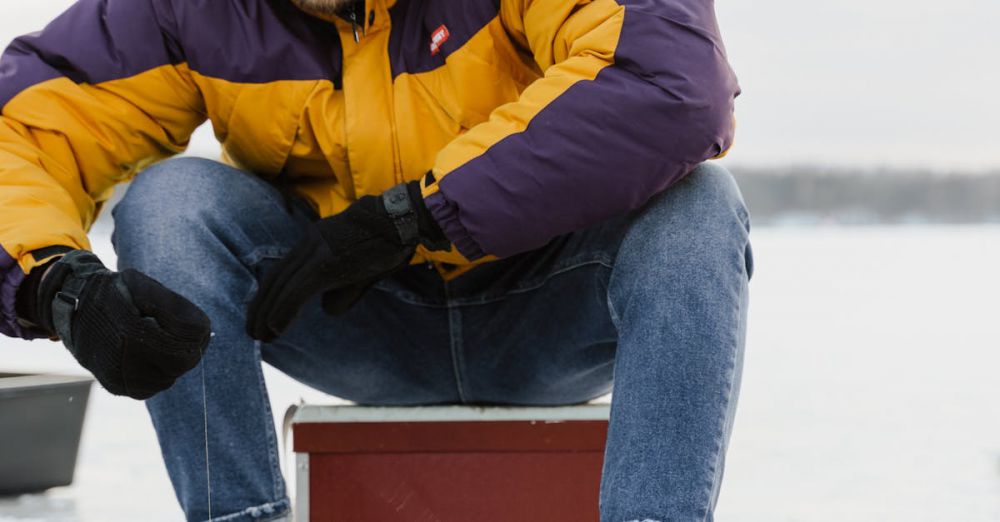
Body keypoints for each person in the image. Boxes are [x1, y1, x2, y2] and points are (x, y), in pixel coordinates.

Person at [0, 0, 751, 520]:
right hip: (349, 322)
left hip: (547, 310)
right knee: (168, 202)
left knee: (700, 207)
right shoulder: (191, 10)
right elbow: (21, 133)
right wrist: (59, 289)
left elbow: (668, 83)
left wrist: (420, 214)